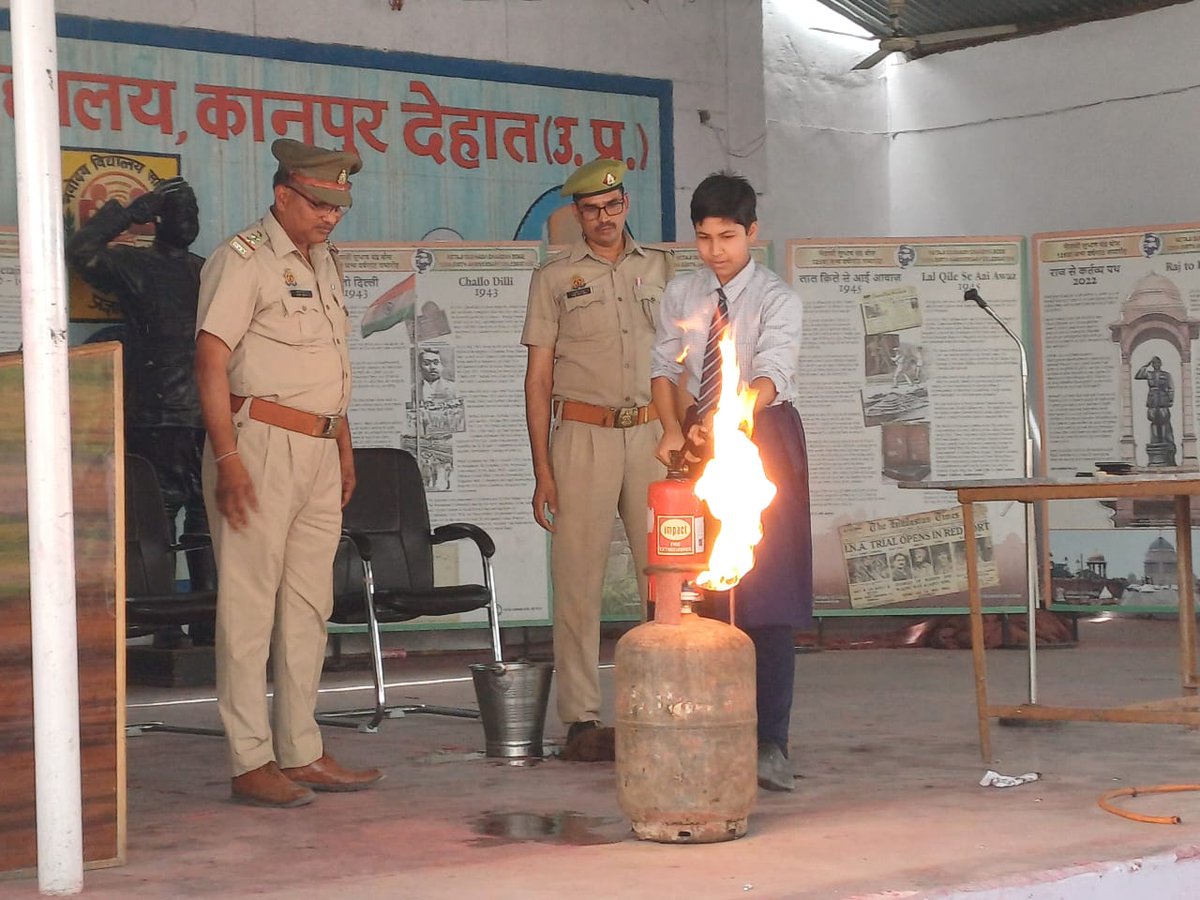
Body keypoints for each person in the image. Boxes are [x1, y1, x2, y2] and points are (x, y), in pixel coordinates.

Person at [194, 139, 381, 808]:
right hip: (260, 446)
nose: (331, 216)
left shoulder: (323, 263)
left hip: (319, 449)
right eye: (320, 203)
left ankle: (299, 750)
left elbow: (329, 366)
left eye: (338, 205)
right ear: (283, 195)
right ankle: (250, 760)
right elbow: (211, 362)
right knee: (249, 606)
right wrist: (228, 459)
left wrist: (344, 445)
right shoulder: (241, 259)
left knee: (308, 605)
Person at [650, 171, 811, 793]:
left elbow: (771, 373)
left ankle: (771, 741)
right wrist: (672, 428)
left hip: (761, 437)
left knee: (765, 591)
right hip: (696, 438)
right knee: (698, 587)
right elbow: (665, 366)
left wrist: (733, 419)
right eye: (704, 237)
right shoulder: (682, 292)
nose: (715, 250)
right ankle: (705, 728)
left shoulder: (777, 299)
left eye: (727, 236)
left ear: (752, 233)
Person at [521, 156, 675, 751]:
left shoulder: (663, 269)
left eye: (613, 206)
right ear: (577, 215)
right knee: (578, 582)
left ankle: (661, 704)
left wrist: (685, 439)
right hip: (581, 435)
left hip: (652, 434)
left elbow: (682, 362)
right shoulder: (554, 279)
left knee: (662, 578)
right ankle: (582, 720)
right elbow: (537, 379)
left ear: (626, 205)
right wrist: (542, 469)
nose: (605, 218)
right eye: (592, 210)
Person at [67, 177, 209, 562]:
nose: (191, 221)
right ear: (159, 218)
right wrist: (127, 215)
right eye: (183, 212)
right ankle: (159, 619)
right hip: (157, 412)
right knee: (156, 514)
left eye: (195, 213)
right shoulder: (135, 263)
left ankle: (206, 621)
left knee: (206, 517)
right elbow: (81, 250)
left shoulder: (209, 271)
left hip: (208, 413)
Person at [1135, 355, 1175, 447]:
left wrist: (1170, 399)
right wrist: (1146, 365)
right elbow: (1138, 375)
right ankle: (1155, 442)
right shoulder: (1149, 374)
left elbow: (1171, 388)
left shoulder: (1166, 375)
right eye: (1154, 363)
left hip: (1162, 400)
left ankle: (1165, 442)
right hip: (1152, 401)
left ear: (1160, 364)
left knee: (1164, 420)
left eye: (1157, 363)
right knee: (1153, 421)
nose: (1156, 365)